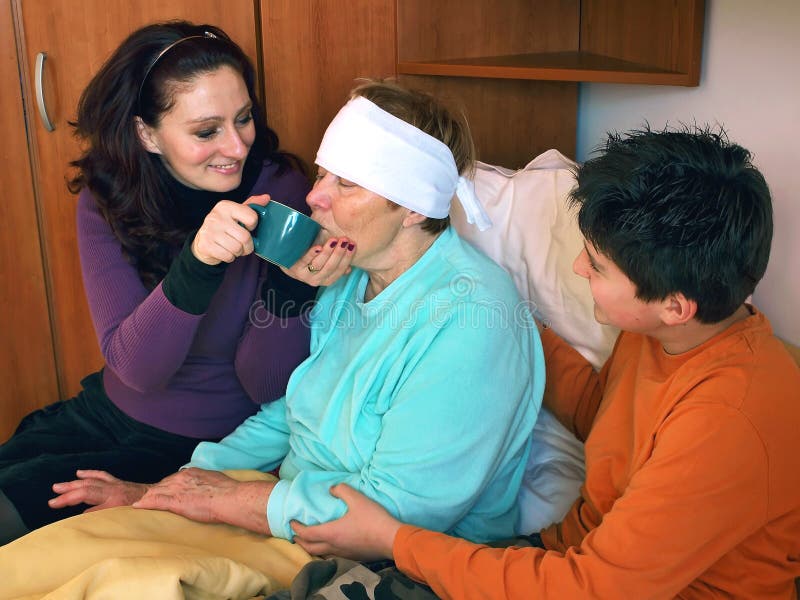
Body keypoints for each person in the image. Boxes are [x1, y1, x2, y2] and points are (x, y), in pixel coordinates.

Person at [0, 79, 544, 596]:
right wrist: (171, 487)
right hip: (281, 509)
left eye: (344, 184)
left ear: (411, 208)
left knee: (112, 582)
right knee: (40, 558)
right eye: (324, 175)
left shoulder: (473, 321)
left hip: (355, 549)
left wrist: (226, 501)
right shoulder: (349, 276)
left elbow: (398, 513)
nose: (314, 196)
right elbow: (291, 410)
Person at [286, 126, 800, 599]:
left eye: (596, 266)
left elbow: (593, 588)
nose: (578, 266)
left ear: (674, 305)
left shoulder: (730, 419)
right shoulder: (669, 333)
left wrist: (394, 539)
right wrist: (498, 319)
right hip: (565, 558)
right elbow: (608, 420)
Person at [0, 20, 353, 545]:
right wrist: (197, 262)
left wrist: (293, 287)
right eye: (207, 131)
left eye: (245, 118)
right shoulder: (108, 199)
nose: (236, 147)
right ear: (147, 133)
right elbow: (136, 367)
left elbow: (267, 384)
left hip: (200, 446)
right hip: (103, 411)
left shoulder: (277, 191)